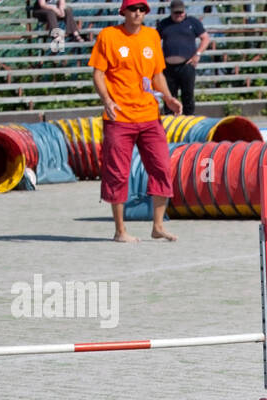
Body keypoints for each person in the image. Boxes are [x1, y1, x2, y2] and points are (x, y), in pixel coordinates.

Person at [90, 0, 183, 242]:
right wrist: (107, 100)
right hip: (119, 117)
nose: (138, 13)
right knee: (118, 173)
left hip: (149, 116)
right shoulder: (109, 36)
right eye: (133, 9)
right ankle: (120, 231)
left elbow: (157, 74)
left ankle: (158, 226)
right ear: (124, 11)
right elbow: (98, 74)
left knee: (162, 167)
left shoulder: (152, 36)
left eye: (142, 9)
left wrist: (170, 98)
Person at [157, 0, 212, 114]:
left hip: (186, 65)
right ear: (171, 12)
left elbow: (205, 38)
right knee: (169, 97)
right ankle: (170, 122)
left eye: (181, 12)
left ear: (184, 11)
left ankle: (189, 120)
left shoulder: (192, 22)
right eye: (176, 13)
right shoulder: (164, 23)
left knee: (188, 96)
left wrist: (198, 54)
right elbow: (155, 41)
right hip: (168, 67)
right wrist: (158, 57)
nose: (179, 15)